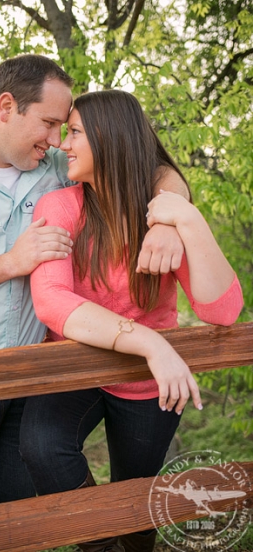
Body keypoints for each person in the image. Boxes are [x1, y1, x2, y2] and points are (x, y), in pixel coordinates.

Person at [0, 54, 189, 522]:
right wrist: (10, 263)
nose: (57, 140)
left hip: (26, 385)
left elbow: (146, 166)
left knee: (17, 528)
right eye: (49, 123)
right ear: (6, 106)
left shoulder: (53, 169)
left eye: (64, 128)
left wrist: (170, 217)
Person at [20, 90, 243, 552]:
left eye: (76, 132)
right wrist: (152, 343)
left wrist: (185, 217)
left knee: (137, 495)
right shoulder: (61, 207)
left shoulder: (162, 218)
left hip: (145, 383)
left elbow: (220, 311)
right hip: (77, 364)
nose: (64, 143)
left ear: (111, 140)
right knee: (41, 446)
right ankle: (98, 544)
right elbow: (53, 303)